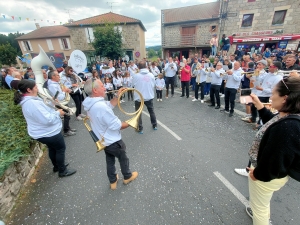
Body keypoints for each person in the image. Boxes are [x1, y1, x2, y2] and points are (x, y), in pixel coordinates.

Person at [245, 77, 300, 224]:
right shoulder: (287, 115)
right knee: (262, 201)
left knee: (260, 208)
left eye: (274, 93)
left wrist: (258, 174)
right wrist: (259, 106)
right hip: (272, 174)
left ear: (284, 98)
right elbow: (272, 121)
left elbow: (276, 161)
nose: (270, 96)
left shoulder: (288, 127)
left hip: (267, 176)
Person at [82, 79, 138, 190]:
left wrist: (117, 96)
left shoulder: (92, 102)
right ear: (95, 90)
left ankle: (113, 181)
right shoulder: (100, 107)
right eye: (102, 86)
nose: (105, 88)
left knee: (110, 160)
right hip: (113, 140)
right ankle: (127, 176)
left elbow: (110, 105)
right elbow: (117, 126)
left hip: (104, 140)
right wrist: (131, 121)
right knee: (123, 158)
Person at [14, 79, 76, 177]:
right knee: (60, 149)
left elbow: (44, 109)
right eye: (35, 87)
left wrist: (52, 103)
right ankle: (62, 171)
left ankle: (57, 166)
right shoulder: (32, 103)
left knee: (52, 148)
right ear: (29, 90)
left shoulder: (31, 100)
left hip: (43, 133)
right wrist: (58, 113)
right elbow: (47, 119)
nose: (37, 88)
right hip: (48, 132)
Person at [47, 70, 76, 137]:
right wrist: (64, 91)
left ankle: (68, 128)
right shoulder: (52, 86)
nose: (59, 77)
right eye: (57, 75)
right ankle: (66, 131)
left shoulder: (56, 84)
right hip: (60, 103)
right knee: (67, 115)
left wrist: (66, 90)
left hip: (62, 102)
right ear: (53, 76)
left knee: (68, 115)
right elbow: (58, 97)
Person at [132, 61, 157, 134]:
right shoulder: (151, 75)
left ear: (138, 67)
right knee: (151, 111)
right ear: (146, 66)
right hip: (149, 96)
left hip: (139, 98)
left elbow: (132, 85)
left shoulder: (136, 75)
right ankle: (154, 125)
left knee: (138, 113)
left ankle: (140, 128)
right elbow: (153, 85)